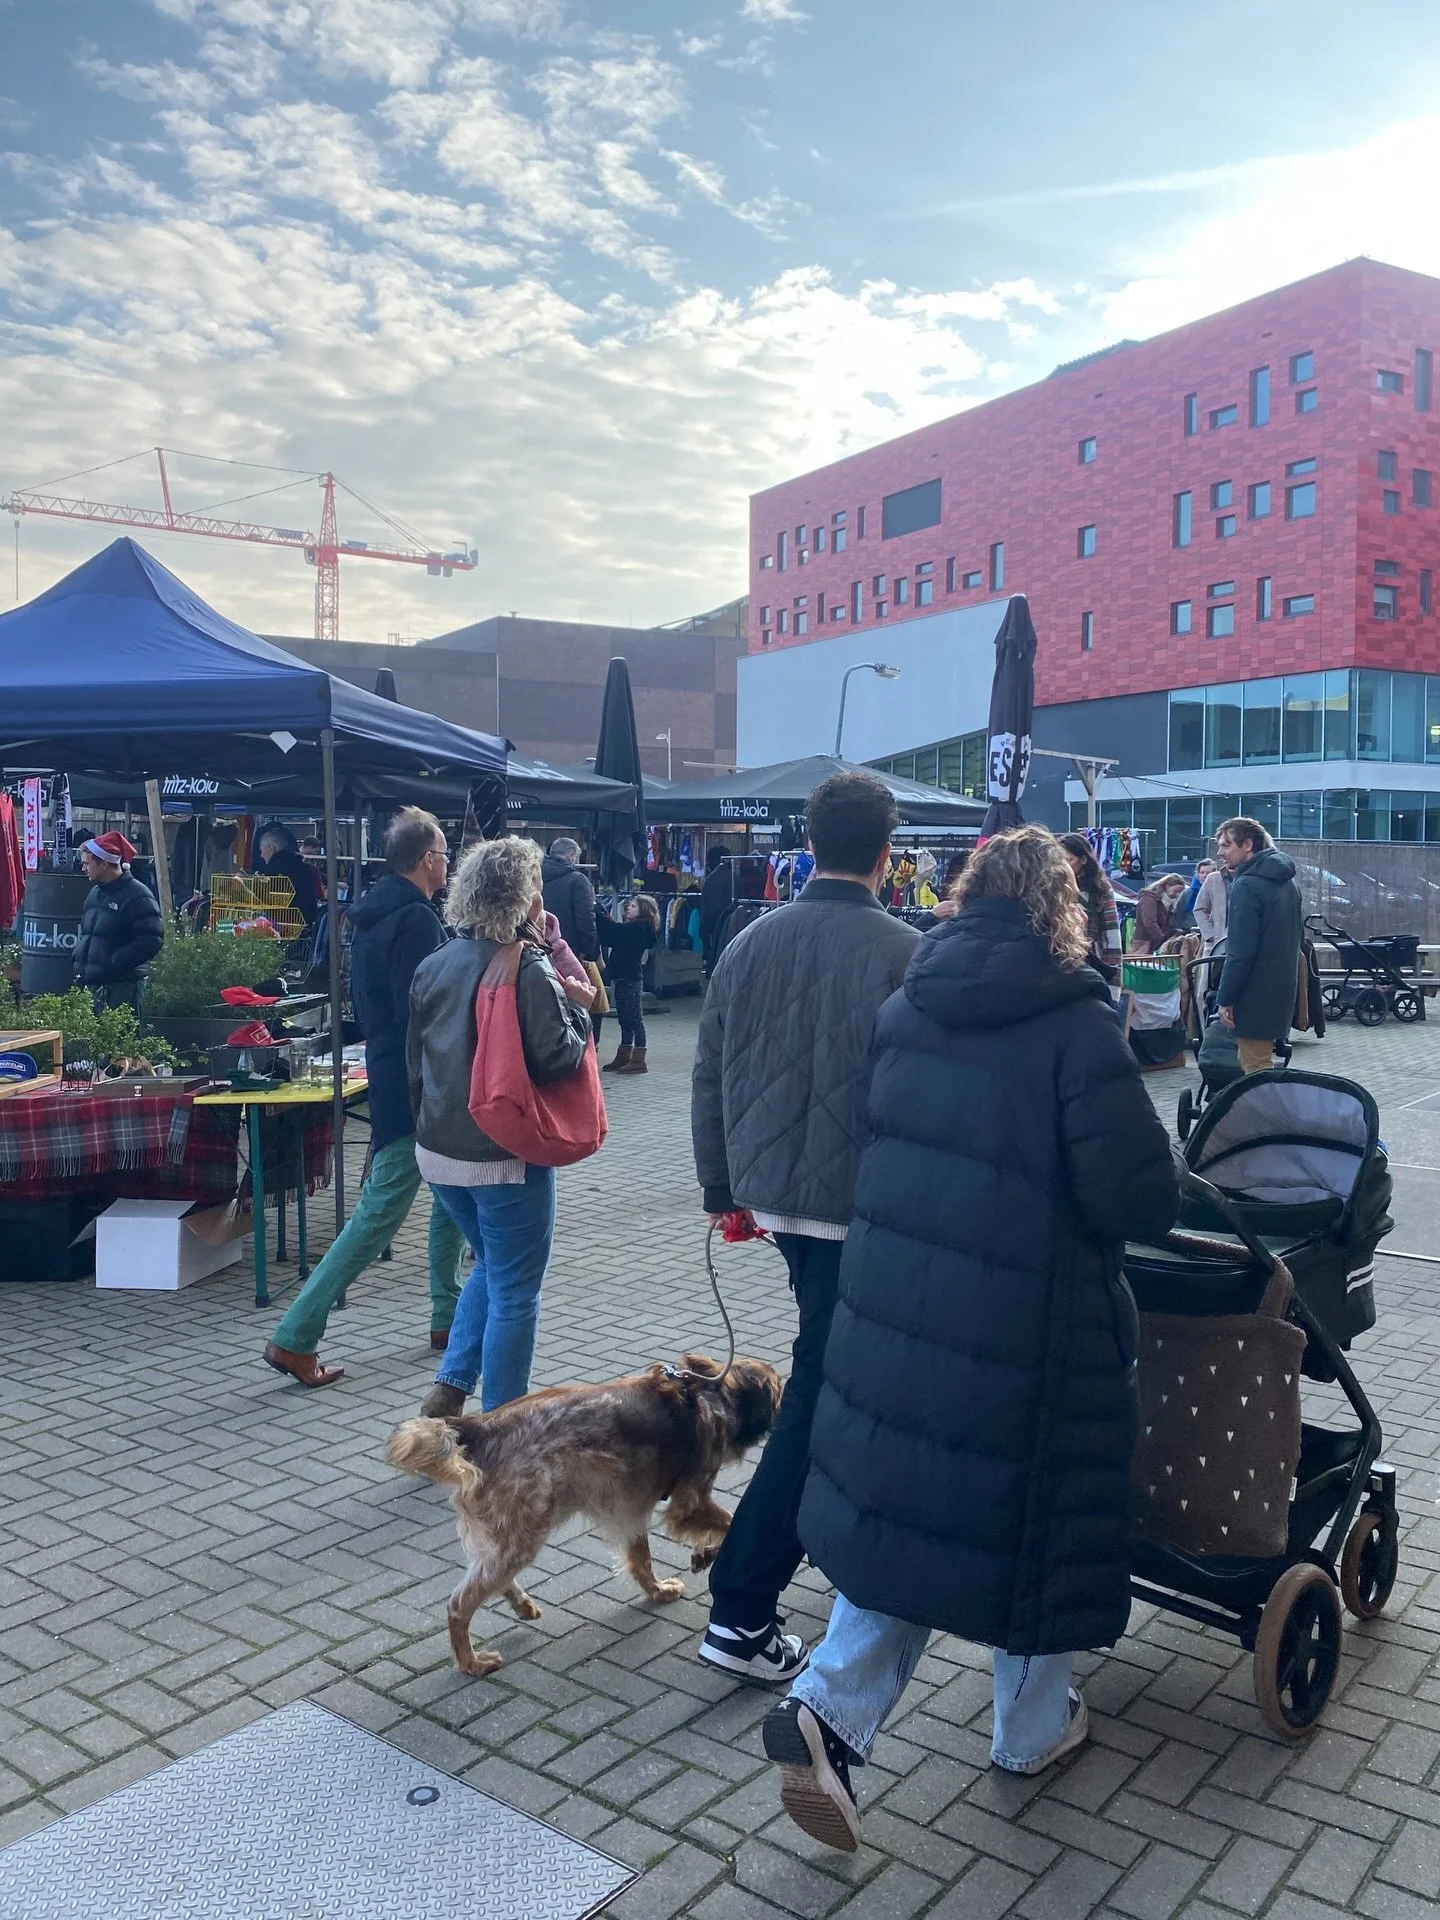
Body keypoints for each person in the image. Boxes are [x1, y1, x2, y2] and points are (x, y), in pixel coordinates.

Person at [759, 826, 1178, 1849]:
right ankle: (1029, 1730)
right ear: (1061, 908)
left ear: (965, 895)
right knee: (1039, 1521)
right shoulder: (1078, 1026)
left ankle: (825, 1710)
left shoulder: (907, 1006)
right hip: (1030, 1326)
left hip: (900, 1309)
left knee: (911, 1514)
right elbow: (1139, 1198)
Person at [691, 771, 921, 1685]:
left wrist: (721, 1185)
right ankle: (742, 1606)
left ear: (810, 841)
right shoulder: (908, 949)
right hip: (863, 1203)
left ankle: (831, 1543)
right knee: (826, 1392)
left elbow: (707, 1070)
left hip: (774, 1191)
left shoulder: (749, 943)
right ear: (887, 852)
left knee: (841, 1374)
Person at [263, 808, 467, 1388]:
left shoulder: (371, 913)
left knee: (451, 1194)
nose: (448, 862)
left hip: (389, 1070)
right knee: (381, 1213)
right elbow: (423, 1011)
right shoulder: (419, 922)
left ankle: (446, 1316)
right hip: (416, 1083)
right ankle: (296, 1335)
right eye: (445, 853)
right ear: (427, 859)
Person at [412, 837, 594, 1419]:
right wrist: (580, 1011)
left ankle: (449, 1389)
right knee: (517, 1288)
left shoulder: (433, 964)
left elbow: (414, 1061)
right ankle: (504, 1426)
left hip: (438, 1149)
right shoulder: (527, 969)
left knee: (492, 1264)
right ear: (525, 894)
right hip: (505, 1153)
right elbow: (558, 1057)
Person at [1214, 816, 1304, 1074]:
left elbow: (1240, 951)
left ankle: (1265, 1115)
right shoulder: (1287, 882)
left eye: (1227, 845)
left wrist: (1225, 998)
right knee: (1260, 1062)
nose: (1220, 852)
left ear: (1248, 845)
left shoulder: (1247, 885)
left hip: (1253, 992)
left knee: (1255, 1068)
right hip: (1282, 987)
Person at [72, 832, 165, 1013]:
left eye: (87, 863)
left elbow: (152, 940)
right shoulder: (95, 893)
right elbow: (88, 935)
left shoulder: (138, 895)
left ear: (104, 863)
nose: (83, 868)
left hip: (122, 990)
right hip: (92, 987)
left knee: (122, 1039)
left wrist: (114, 962)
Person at [598, 894, 660, 1074]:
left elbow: (612, 931)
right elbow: (612, 935)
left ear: (643, 910)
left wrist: (597, 912)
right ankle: (625, 1053)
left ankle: (639, 1057)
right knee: (624, 1017)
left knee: (634, 1018)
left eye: (633, 906)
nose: (628, 908)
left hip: (630, 978)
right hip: (622, 976)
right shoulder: (633, 928)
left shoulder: (638, 928)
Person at [1059, 832, 1122, 982]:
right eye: (1060, 861)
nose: (1064, 866)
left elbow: (1112, 935)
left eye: (1069, 860)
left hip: (1092, 966)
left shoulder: (1101, 890)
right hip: (1062, 965)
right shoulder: (1053, 888)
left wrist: (1115, 982)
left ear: (1084, 859)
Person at [254, 824, 321, 929]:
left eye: (262, 850)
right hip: (307, 921)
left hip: (285, 924)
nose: (261, 855)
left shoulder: (273, 869)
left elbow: (267, 899)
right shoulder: (303, 866)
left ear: (271, 849)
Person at [1129, 872, 1187, 955]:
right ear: (1167, 886)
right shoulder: (1149, 898)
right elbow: (1150, 922)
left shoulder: (1169, 903)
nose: (1177, 894)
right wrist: (1162, 940)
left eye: (1180, 892)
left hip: (1157, 943)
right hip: (1144, 943)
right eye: (1176, 890)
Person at [699, 847, 732, 975]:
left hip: (711, 919)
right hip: (729, 918)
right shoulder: (733, 877)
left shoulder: (709, 880)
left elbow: (705, 906)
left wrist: (703, 929)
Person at [1193, 856, 1229, 953]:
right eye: (1202, 872)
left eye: (1207, 872)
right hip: (1215, 941)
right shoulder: (1213, 880)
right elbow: (1198, 909)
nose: (1204, 875)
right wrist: (1210, 934)